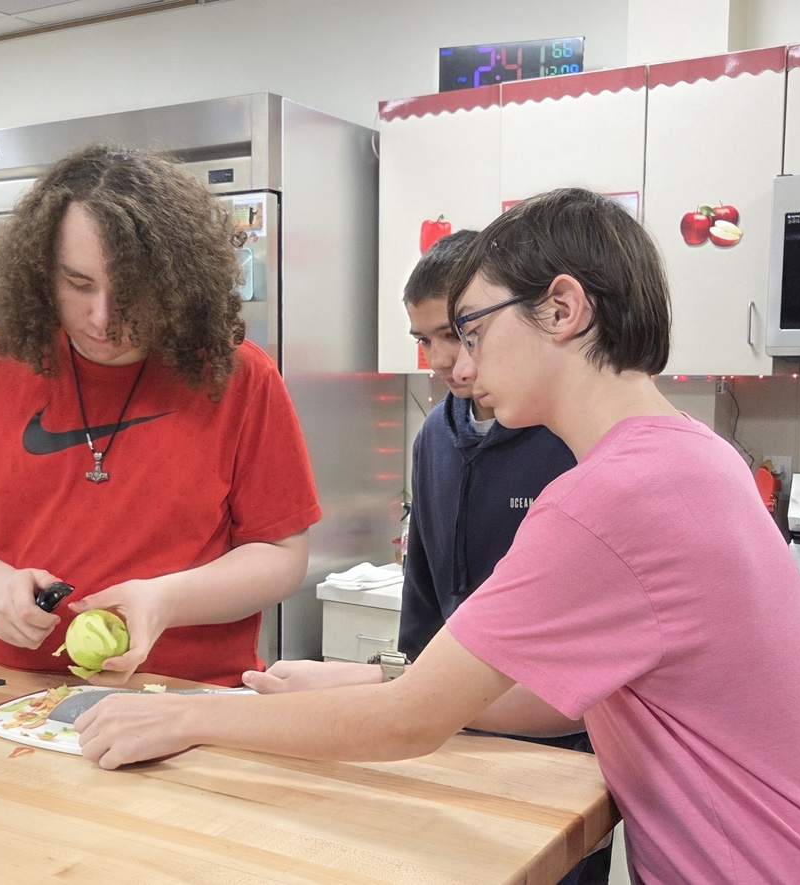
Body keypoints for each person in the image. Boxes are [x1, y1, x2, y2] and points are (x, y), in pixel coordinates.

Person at [76, 189, 800, 883]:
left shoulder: (607, 497)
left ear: (563, 309)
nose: (458, 368)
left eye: (472, 330)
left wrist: (185, 718)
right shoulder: (697, 457)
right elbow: (547, 694)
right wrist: (365, 683)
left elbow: (409, 726)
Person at [245, 231, 607, 884]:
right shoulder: (433, 437)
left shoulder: (568, 440)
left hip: (558, 752)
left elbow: (580, 672)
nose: (445, 360)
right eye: (426, 341)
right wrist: (405, 685)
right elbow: (425, 595)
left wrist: (395, 692)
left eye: (458, 335)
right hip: (449, 728)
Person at [0, 144, 321, 687]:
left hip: (187, 698)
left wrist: (167, 600)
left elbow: (280, 555)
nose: (102, 319)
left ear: (178, 281)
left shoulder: (239, 377)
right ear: (41, 274)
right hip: (12, 690)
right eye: (79, 285)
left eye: (132, 293)